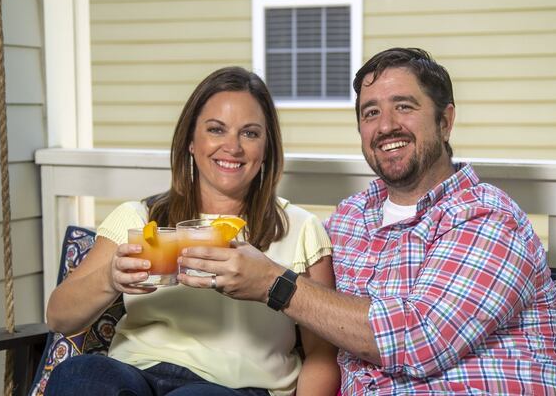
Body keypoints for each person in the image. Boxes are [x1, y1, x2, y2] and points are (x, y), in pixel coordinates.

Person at [180, 49, 556, 395]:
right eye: (371, 113)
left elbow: (421, 339)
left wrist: (273, 283)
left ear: (445, 120)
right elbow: (309, 323)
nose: (386, 126)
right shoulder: (348, 220)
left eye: (404, 106)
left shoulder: (487, 215)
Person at [44, 67, 340, 396]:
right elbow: (59, 318)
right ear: (190, 141)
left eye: (250, 133)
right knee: (79, 375)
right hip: (135, 374)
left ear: (267, 147)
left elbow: (322, 354)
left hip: (236, 388)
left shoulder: (300, 228)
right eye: (216, 129)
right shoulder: (140, 217)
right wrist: (109, 279)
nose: (233, 147)